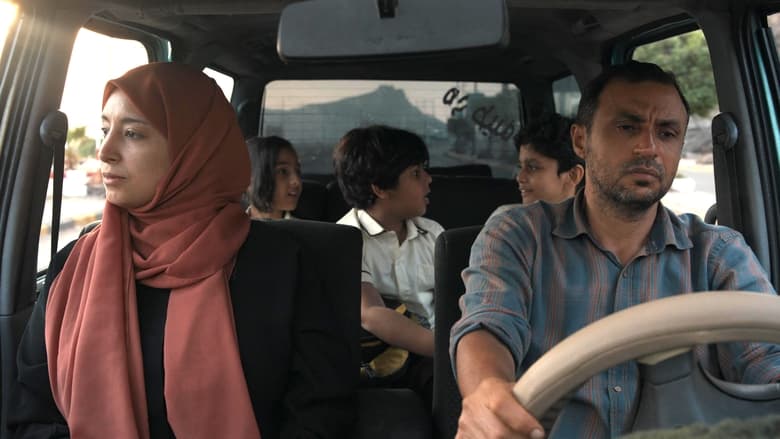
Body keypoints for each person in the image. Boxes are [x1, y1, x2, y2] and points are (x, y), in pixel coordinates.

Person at [8, 63, 355, 438]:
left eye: (132, 133)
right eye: (105, 130)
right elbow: (32, 411)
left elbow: (320, 409)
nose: (105, 152)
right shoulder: (74, 264)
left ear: (194, 149)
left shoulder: (280, 263)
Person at [450, 61, 780, 439]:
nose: (649, 148)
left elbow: (767, 358)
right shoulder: (518, 235)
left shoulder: (718, 253)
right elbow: (488, 326)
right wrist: (487, 391)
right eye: (627, 127)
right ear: (580, 141)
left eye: (667, 133)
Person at [334, 125, 443, 407]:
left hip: (431, 356)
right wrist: (447, 349)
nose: (429, 180)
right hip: (377, 360)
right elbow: (370, 313)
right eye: (416, 173)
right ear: (380, 188)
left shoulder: (434, 234)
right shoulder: (345, 239)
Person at [515, 113, 584, 205]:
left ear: (573, 175)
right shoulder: (508, 214)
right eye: (520, 167)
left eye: (533, 167)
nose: (520, 178)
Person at [246, 135, 302, 220]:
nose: (297, 181)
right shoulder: (229, 226)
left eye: (298, 171)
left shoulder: (304, 228)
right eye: (282, 171)